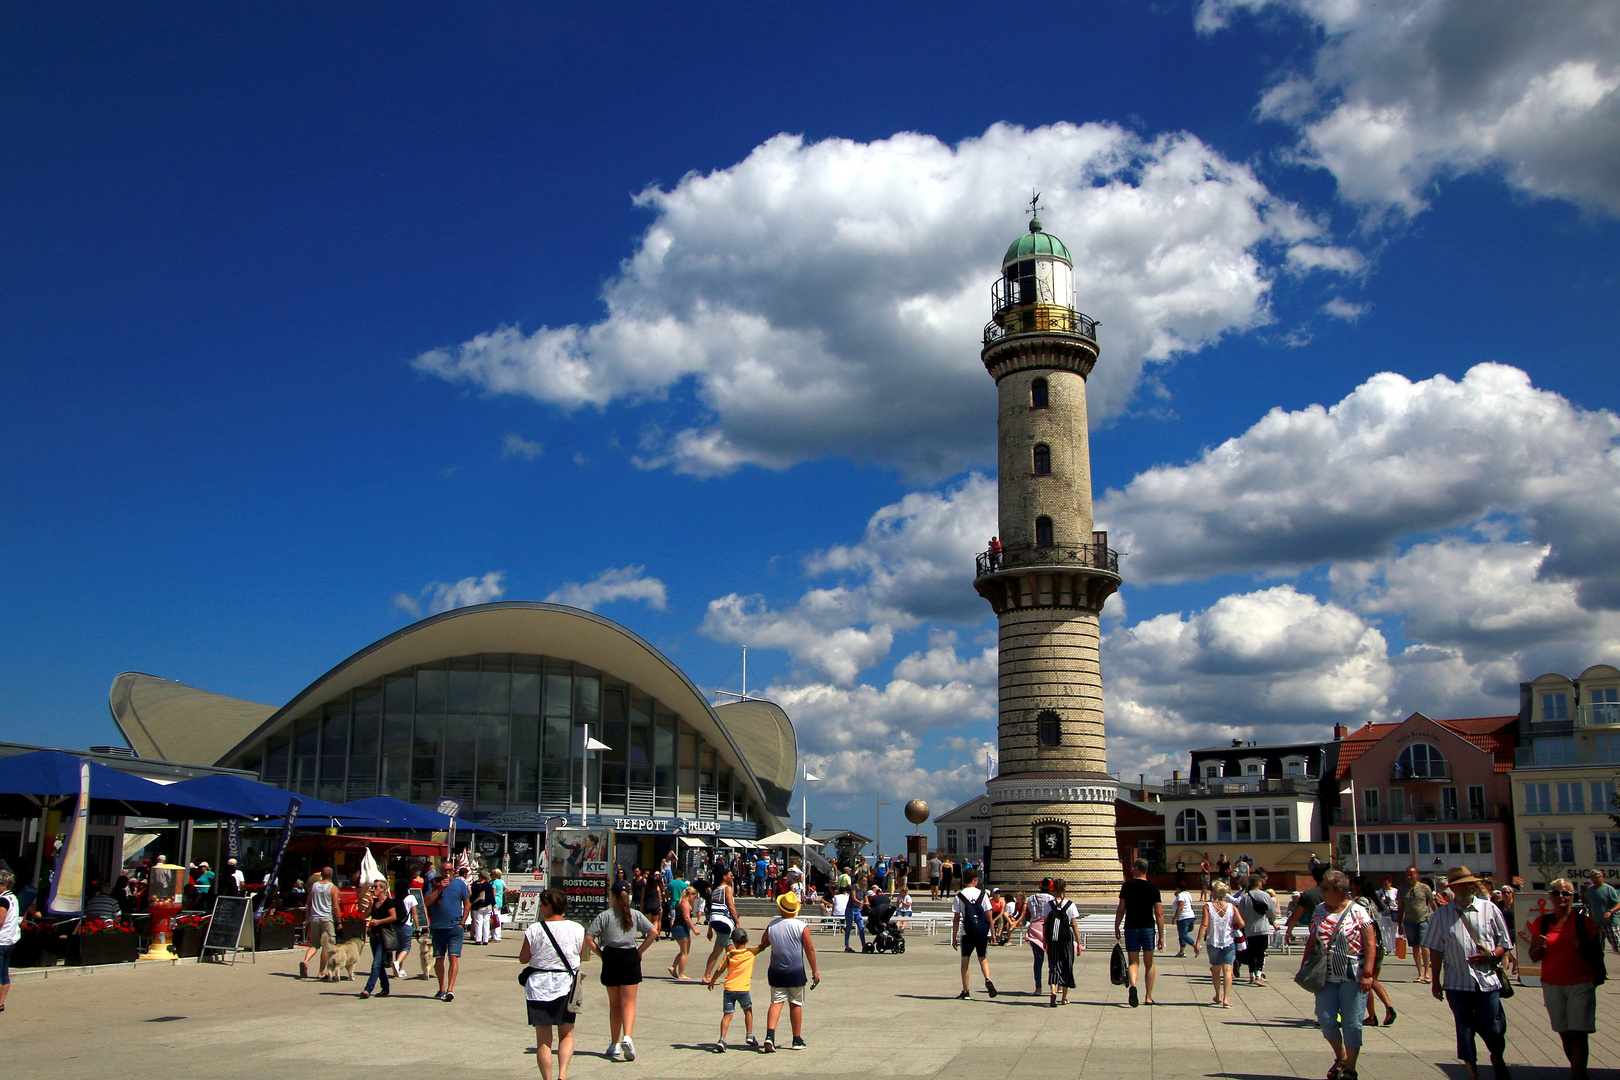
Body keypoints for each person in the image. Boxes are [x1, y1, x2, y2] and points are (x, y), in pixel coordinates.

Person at [1424, 865, 1514, 1080]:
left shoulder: (1489, 909)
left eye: (1470, 883)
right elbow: (1436, 950)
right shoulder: (1441, 916)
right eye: (1462, 885)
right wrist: (1435, 981)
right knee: (1464, 1030)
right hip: (1457, 983)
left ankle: (1497, 1056)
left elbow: (1505, 943)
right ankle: (1472, 1074)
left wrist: (1491, 955)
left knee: (1494, 1027)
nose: (1468, 887)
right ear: (1453, 889)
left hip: (1487, 981)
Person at [1302, 870, 1377, 1080]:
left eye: (1326, 888)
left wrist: (1368, 974)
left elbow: (1370, 944)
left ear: (1340, 890)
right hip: (1325, 976)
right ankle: (1341, 1055)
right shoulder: (1319, 910)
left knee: (1352, 1023)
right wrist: (1305, 965)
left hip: (1352, 976)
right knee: (1325, 1019)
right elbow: (1312, 939)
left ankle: (1350, 1068)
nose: (1322, 891)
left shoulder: (1358, 912)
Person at [1529, 878, 1601, 1080]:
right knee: (1565, 1034)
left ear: (1573, 897)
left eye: (1566, 893)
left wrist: (1582, 947)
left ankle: (1577, 1076)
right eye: (1557, 893)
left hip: (1580, 984)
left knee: (1578, 1034)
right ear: (1550, 897)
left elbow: (1597, 955)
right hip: (1552, 984)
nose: (1562, 897)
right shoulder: (1541, 922)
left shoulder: (1583, 922)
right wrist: (1539, 947)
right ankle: (1580, 1073)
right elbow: (1534, 957)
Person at [585, 879, 658, 1061]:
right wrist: (640, 951)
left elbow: (588, 938)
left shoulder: (605, 916)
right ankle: (628, 1037)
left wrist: (601, 954)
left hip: (611, 956)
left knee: (614, 1004)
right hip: (630, 957)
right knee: (629, 1003)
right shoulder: (635, 914)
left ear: (613, 896)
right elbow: (654, 933)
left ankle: (614, 1042)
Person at [521, 889, 585, 1080]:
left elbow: (524, 959)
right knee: (566, 1034)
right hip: (567, 985)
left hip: (538, 987)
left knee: (543, 1040)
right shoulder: (577, 928)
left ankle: (547, 1078)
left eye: (541, 904)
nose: (540, 908)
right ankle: (563, 1074)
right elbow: (578, 957)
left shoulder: (534, 929)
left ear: (549, 906)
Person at [762, 890, 819, 1052]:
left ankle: (770, 1035)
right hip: (795, 971)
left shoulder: (773, 925)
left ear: (781, 908)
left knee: (776, 1001)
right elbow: (810, 950)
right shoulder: (801, 927)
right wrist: (815, 970)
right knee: (795, 1003)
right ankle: (796, 1038)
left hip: (776, 970)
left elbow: (764, 942)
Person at [705, 926, 767, 1052]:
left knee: (727, 1015)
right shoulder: (751, 952)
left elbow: (720, 969)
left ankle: (722, 1039)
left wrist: (712, 980)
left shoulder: (730, 954)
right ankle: (749, 1035)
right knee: (748, 1011)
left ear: (733, 942)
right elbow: (763, 946)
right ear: (747, 941)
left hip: (729, 989)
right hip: (743, 989)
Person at [1114, 857, 1163, 1008]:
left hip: (1131, 927)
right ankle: (1148, 996)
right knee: (1149, 963)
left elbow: (1121, 908)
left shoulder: (1127, 887)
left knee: (1133, 962)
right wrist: (1161, 935)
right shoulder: (1153, 888)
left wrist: (1117, 926)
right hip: (1148, 927)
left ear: (1137, 868)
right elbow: (1159, 913)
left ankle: (1133, 985)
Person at [426, 857, 471, 1002]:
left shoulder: (460, 884)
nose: (447, 873)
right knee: (439, 959)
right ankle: (442, 987)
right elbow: (426, 902)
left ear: (454, 871)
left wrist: (462, 923)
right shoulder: (434, 883)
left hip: (455, 927)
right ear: (440, 871)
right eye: (445, 870)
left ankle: (450, 989)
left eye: (450, 870)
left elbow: (467, 904)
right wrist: (440, 888)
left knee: (453, 957)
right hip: (438, 927)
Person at [1353, 876, 1396, 1026]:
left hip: (1368, 946)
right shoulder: (1373, 901)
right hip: (1379, 944)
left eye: (1353, 885)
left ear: (1358, 886)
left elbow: (1360, 922)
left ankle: (1373, 1015)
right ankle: (1387, 1008)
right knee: (1373, 981)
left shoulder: (1361, 902)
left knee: (1367, 981)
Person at [1195, 880, 1245, 1008]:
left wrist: (1198, 941)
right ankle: (1226, 999)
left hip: (1213, 941)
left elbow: (1204, 925)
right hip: (1228, 941)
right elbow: (1242, 923)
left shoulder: (1208, 906)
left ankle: (1218, 994)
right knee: (1228, 970)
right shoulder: (1231, 907)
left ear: (1214, 893)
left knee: (1216, 969)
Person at [951, 867, 997, 1000]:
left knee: (965, 960)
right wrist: (992, 933)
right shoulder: (983, 895)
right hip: (981, 931)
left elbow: (956, 918)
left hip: (967, 932)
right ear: (975, 880)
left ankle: (966, 991)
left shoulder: (959, 896)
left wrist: (954, 938)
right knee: (983, 958)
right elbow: (989, 915)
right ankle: (987, 979)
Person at [359, 880, 402, 999]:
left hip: (384, 937)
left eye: (376, 887)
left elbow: (393, 917)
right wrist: (370, 903)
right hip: (374, 936)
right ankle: (385, 987)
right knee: (379, 964)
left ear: (382, 888)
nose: (373, 889)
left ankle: (368, 989)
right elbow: (365, 915)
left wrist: (379, 922)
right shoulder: (375, 902)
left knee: (376, 964)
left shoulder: (388, 902)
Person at [1044, 878, 1082, 1007]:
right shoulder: (1070, 905)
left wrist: (1045, 940)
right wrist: (1079, 943)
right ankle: (1064, 998)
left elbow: (1045, 924)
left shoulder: (1049, 905)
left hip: (1053, 941)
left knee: (1053, 966)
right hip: (1066, 941)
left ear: (1053, 889)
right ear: (1065, 889)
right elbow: (1074, 925)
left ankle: (1053, 991)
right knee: (1067, 967)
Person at [1235, 874, 1278, 985]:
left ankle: (1251, 975)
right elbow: (1272, 911)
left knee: (1251, 952)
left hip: (1249, 930)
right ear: (1259, 883)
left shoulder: (1246, 897)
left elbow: (1241, 914)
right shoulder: (1265, 896)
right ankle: (1258, 974)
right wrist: (1272, 920)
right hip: (1262, 928)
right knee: (1261, 952)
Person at [1398, 864, 1437, 983]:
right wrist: (1400, 924)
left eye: (1411, 875)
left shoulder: (1424, 888)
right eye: (1407, 875)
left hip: (1423, 919)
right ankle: (1420, 973)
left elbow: (1432, 903)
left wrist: (1439, 918)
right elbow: (1401, 908)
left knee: (1424, 946)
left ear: (1417, 875)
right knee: (1415, 947)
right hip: (1409, 922)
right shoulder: (1402, 889)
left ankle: (1427, 973)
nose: (1409, 877)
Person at [702, 867, 739, 982]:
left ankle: (709, 975)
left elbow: (712, 909)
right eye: (730, 875)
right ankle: (731, 976)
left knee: (723, 950)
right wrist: (737, 921)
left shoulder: (715, 890)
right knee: (728, 951)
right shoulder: (727, 888)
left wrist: (710, 928)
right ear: (724, 877)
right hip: (725, 922)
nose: (732, 877)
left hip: (716, 921)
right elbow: (730, 905)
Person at [300, 866, 337, 980]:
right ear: (331, 875)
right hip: (326, 918)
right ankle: (321, 972)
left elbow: (308, 902)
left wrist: (307, 917)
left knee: (314, 944)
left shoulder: (314, 886)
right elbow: (335, 907)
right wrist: (339, 921)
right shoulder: (333, 888)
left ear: (321, 874)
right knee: (326, 945)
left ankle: (306, 961)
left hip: (314, 918)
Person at [1286, 862, 1328, 952]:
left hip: (1316, 935)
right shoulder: (1337, 892)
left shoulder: (1308, 894)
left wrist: (1289, 932)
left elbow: (1295, 916)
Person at [1024, 878, 1053, 995]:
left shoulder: (1031, 899)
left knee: (1038, 960)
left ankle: (1038, 988)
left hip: (1034, 930)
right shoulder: (1052, 900)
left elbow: (1027, 915)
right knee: (1053, 960)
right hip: (1048, 931)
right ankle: (1056, 986)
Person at [1582, 870, 1619, 955]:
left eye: (1597, 877)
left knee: (1618, 947)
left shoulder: (1609, 889)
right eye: (1592, 878)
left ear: (1602, 877)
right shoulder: (1590, 890)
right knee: (1597, 949)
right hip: (1597, 924)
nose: (1595, 880)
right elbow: (1590, 905)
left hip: (1610, 923)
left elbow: (1618, 903)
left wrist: (1610, 911)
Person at [668, 885, 698, 980]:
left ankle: (673, 967)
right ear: (691, 894)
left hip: (679, 927)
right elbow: (686, 917)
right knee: (684, 952)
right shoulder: (685, 903)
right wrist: (694, 929)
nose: (694, 899)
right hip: (681, 928)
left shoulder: (682, 902)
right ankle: (681, 974)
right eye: (695, 896)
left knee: (683, 951)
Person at [0, 868, 19, 1014]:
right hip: (9, 940)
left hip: (1, 940)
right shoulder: (13, 898)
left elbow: (0, 921)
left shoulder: (3, 900)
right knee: (4, 973)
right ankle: (0, 1003)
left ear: (4, 885)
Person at [393, 882, 418, 979]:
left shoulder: (395, 898)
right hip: (406, 924)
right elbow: (414, 913)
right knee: (406, 947)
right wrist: (417, 927)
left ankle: (399, 969)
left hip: (396, 925)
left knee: (399, 947)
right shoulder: (411, 898)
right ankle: (397, 963)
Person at [470, 870, 496, 945]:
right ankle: (485, 939)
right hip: (488, 905)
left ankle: (478, 939)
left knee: (478, 922)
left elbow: (473, 896)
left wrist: (471, 903)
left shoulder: (475, 884)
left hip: (478, 905)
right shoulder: (488, 885)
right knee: (486, 922)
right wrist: (493, 904)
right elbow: (491, 896)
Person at [837, 884, 866, 953]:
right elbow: (853, 898)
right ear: (860, 881)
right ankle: (847, 946)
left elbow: (866, 899)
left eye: (865, 881)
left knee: (861, 927)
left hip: (857, 910)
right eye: (863, 881)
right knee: (849, 927)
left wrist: (867, 903)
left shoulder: (864, 890)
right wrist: (861, 903)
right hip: (850, 909)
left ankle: (864, 946)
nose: (864, 882)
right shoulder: (855, 887)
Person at [1172, 880, 1196, 958]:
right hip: (1190, 916)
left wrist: (1175, 918)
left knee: (1183, 935)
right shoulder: (1187, 894)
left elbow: (1180, 907)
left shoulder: (1181, 896)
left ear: (1178, 888)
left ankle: (1195, 946)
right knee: (1182, 934)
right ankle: (1182, 951)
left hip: (1183, 918)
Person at [490, 869, 506, 943]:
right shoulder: (501, 882)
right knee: (497, 918)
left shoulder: (494, 883)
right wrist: (501, 893)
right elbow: (507, 889)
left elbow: (493, 893)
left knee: (494, 919)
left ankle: (495, 936)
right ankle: (497, 935)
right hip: (500, 901)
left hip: (495, 901)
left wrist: (492, 902)